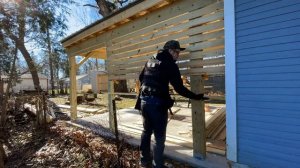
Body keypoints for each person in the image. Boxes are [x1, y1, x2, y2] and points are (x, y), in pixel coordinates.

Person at [135, 40, 208, 168]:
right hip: (157, 104)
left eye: (179, 52)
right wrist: (196, 97)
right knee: (159, 137)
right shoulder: (170, 64)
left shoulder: (152, 59)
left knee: (146, 132)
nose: (178, 55)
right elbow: (179, 88)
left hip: (144, 102)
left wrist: (156, 83)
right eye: (176, 52)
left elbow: (141, 77)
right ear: (169, 51)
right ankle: (158, 165)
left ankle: (144, 161)